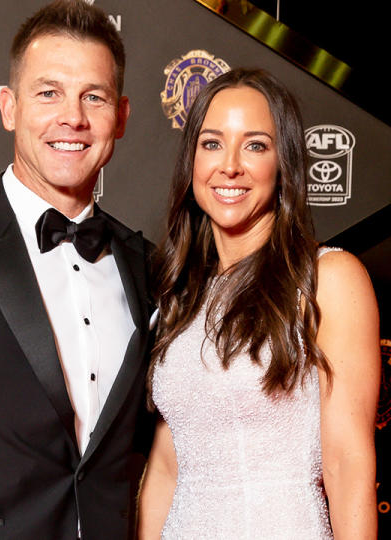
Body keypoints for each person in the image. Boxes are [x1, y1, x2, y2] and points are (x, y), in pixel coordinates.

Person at [0, 1, 155, 538]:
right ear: (8, 107)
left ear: (121, 117)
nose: (73, 117)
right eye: (49, 93)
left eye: (94, 96)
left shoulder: (148, 264)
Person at [138, 68, 379, 539]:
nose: (229, 165)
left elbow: (348, 465)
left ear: (283, 161)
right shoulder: (181, 293)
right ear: (191, 162)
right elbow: (167, 466)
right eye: (211, 143)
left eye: (255, 145)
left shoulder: (327, 278)